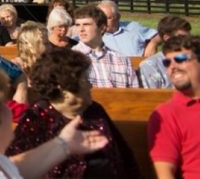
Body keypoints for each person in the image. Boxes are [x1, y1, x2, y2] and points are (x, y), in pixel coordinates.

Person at [8, 48, 139, 178]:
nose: (90, 85)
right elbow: (14, 169)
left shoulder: (94, 110)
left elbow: (125, 159)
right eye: (84, 79)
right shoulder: (37, 118)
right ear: (63, 87)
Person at [147, 34, 200, 178]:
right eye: (167, 63)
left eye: (180, 59)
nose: (173, 67)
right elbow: (165, 174)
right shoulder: (166, 114)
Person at [71, 5, 138, 88]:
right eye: (77, 25)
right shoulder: (69, 59)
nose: (81, 29)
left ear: (102, 28)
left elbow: (135, 94)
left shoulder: (122, 59)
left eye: (86, 24)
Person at [140, 15, 191, 89]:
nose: (188, 41)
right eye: (182, 37)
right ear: (167, 38)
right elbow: (152, 97)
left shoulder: (193, 59)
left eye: (189, 37)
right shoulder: (151, 65)